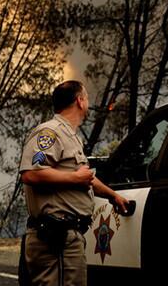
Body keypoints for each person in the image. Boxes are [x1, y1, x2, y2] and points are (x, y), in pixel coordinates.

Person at [19, 80, 130, 286]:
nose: (87, 101)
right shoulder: (50, 133)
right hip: (54, 239)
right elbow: (31, 173)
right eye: (86, 97)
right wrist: (75, 178)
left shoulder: (72, 138)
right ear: (80, 101)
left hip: (67, 238)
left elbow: (85, 179)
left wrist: (112, 195)